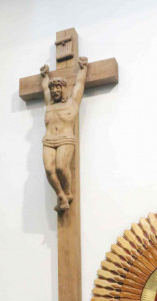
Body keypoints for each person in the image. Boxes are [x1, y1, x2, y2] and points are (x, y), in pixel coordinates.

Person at [40, 56, 88, 212]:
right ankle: (61, 195)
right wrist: (45, 76)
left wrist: (83, 69)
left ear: (64, 89)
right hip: (48, 140)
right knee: (49, 170)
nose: (54, 91)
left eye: (58, 88)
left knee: (61, 167)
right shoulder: (49, 104)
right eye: (53, 89)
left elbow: (79, 84)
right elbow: (45, 89)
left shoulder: (72, 103)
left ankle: (67, 193)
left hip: (65, 139)